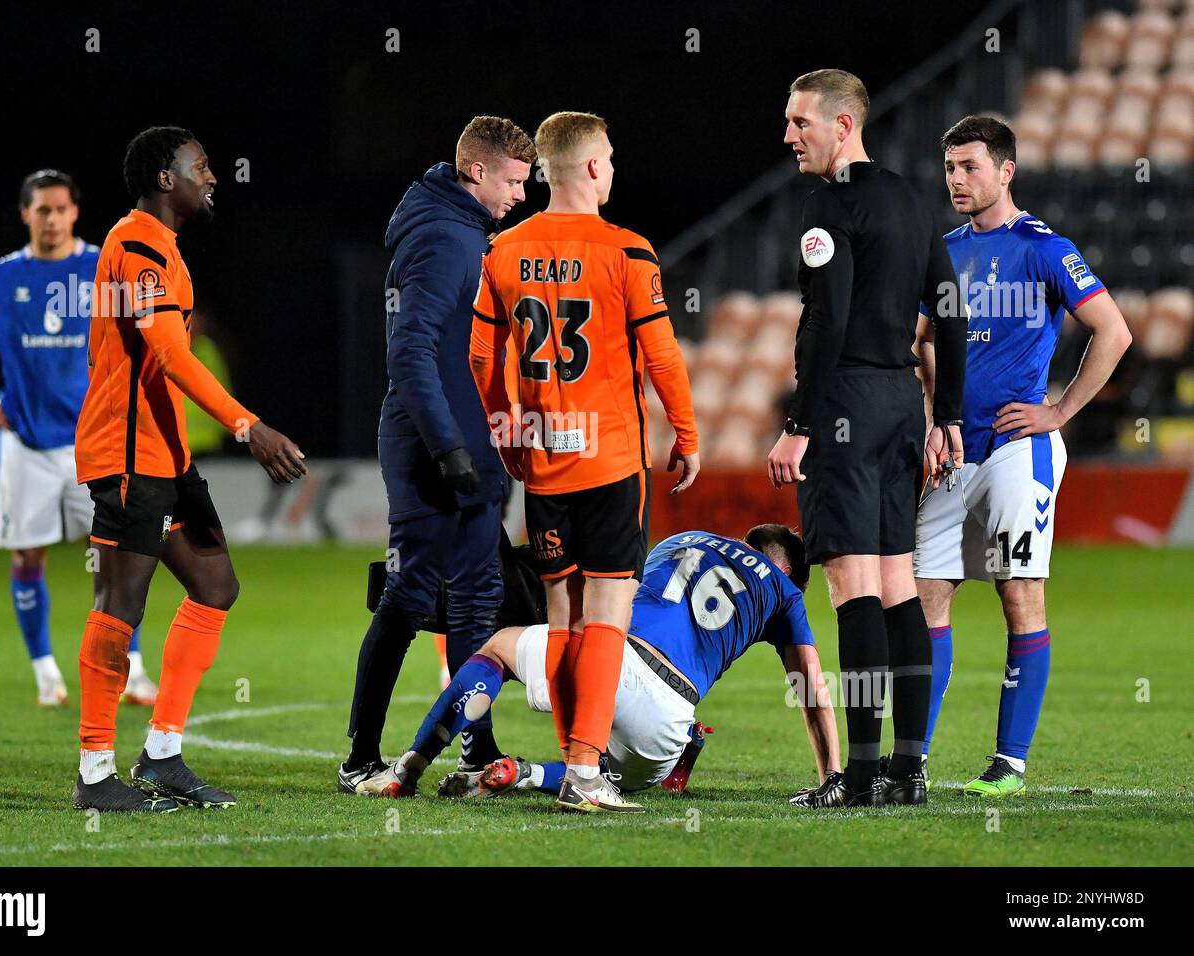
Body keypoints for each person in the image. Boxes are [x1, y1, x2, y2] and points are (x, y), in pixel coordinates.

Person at [470, 111, 700, 812]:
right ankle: (584, 772)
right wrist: (687, 435)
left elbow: (482, 355)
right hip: (608, 459)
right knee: (606, 619)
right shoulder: (626, 250)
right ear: (595, 168)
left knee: (565, 621)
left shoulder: (504, 249)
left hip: (542, 460)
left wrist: (506, 430)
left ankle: (578, 763)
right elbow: (660, 354)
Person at [71, 126, 306, 812]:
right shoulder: (138, 242)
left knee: (214, 583)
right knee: (121, 601)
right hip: (126, 453)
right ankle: (93, 775)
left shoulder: (166, 248)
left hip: (164, 455)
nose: (214, 176)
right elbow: (171, 355)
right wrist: (247, 425)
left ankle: (163, 754)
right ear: (165, 178)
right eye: (201, 166)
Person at [766, 69, 967, 807]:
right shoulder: (915, 203)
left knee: (852, 585)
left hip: (847, 400)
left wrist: (799, 427)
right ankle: (907, 772)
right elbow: (951, 313)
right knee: (898, 585)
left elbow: (825, 322)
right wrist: (946, 417)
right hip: (900, 406)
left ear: (843, 124)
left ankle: (856, 777)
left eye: (800, 123)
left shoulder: (831, 205)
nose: (790, 136)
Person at [915, 116, 1132, 797]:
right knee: (924, 597)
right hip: (955, 449)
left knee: (1019, 593)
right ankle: (909, 760)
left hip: (1018, 448)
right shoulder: (943, 250)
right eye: (950, 167)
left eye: (970, 166)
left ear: (1006, 171)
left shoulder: (1043, 247)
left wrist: (1060, 411)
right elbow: (921, 341)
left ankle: (1008, 762)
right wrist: (932, 417)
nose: (957, 179)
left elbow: (1113, 330)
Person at [355, 525, 845, 808]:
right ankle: (527, 774)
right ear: (788, 574)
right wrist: (832, 775)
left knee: (498, 648)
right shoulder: (782, 592)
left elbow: (614, 596)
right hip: (666, 721)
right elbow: (812, 688)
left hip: (610, 657)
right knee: (611, 774)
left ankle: (409, 767)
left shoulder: (683, 538)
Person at [339, 117, 537, 795]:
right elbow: (411, 351)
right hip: (434, 436)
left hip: (458, 433)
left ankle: (474, 751)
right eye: (513, 181)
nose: (521, 195)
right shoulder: (448, 237)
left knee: (473, 601)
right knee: (416, 593)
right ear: (477, 172)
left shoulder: (451, 224)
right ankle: (362, 756)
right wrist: (448, 446)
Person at [0, 169, 158, 709]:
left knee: (114, 558)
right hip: (26, 444)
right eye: (41, 210)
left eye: (60, 209)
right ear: (25, 214)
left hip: (94, 444)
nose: (51, 218)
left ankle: (133, 670)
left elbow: (148, 339)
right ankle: (46, 675)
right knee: (26, 558)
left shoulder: (104, 266)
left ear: (75, 212)